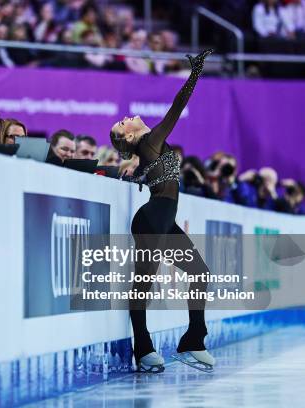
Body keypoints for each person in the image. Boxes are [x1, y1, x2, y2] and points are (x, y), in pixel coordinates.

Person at [110, 49, 215, 373]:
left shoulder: (147, 150)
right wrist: (195, 72)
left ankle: (194, 339)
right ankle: (142, 348)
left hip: (163, 219)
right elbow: (177, 107)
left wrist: (137, 171)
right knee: (144, 281)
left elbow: (146, 170)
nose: (128, 117)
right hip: (153, 218)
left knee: (199, 273)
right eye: (124, 122)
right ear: (129, 135)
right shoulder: (150, 141)